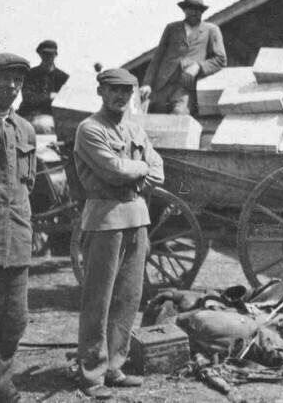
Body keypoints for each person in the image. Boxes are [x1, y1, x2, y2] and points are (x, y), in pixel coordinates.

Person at [74, 68, 164, 399]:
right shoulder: (89, 129)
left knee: (129, 298)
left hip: (137, 219)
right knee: (98, 300)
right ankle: (91, 375)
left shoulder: (135, 128)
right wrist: (139, 171)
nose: (120, 97)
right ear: (101, 91)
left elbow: (159, 168)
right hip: (104, 220)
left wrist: (137, 173)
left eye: (126, 91)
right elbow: (112, 171)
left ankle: (114, 366)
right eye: (114, 90)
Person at [0, 53, 35, 403]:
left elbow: (26, 185)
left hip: (14, 237)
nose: (13, 86)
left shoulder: (26, 130)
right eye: (5, 78)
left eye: (18, 80)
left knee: (13, 319)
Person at [139, 0, 226, 115]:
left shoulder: (211, 30)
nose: (195, 13)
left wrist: (198, 67)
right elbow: (157, 59)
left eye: (199, 10)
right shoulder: (171, 28)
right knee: (152, 119)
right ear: (184, 10)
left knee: (179, 116)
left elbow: (220, 60)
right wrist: (147, 84)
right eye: (191, 9)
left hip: (185, 88)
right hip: (162, 86)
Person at [16, 40, 70, 120]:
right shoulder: (29, 74)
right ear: (40, 54)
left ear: (56, 55)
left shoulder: (63, 77)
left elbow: (65, 101)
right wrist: (50, 96)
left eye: (51, 54)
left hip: (51, 116)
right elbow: (29, 98)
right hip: (28, 115)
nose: (48, 57)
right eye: (45, 54)